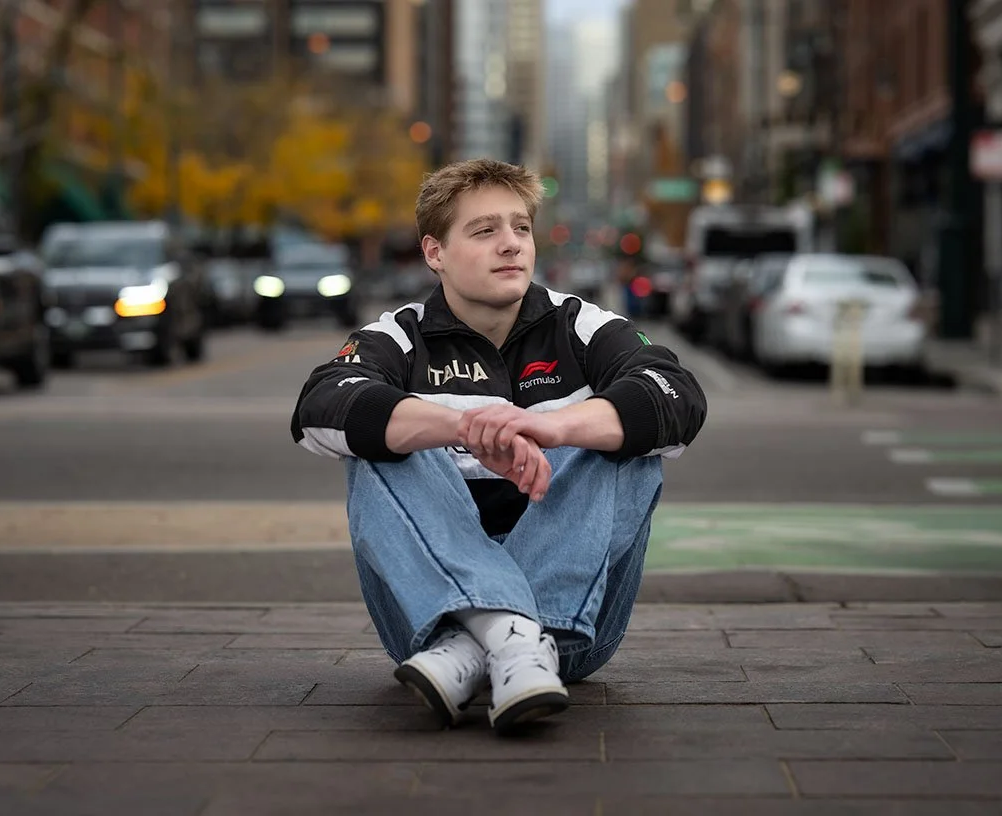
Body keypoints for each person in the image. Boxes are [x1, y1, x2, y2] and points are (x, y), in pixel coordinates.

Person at [291, 158, 707, 735]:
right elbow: (321, 405)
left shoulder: (581, 325)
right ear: (435, 252)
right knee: (384, 437)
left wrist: (554, 428)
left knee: (622, 437)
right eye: (484, 230)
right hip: (426, 630)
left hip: (571, 635)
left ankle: (491, 639)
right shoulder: (399, 336)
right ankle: (506, 639)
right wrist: (462, 427)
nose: (511, 244)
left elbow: (676, 395)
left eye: (521, 228)